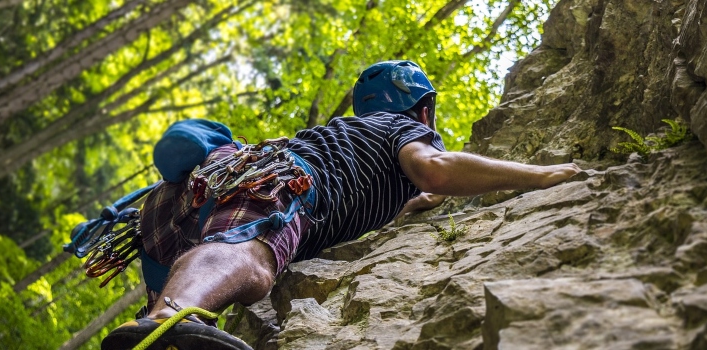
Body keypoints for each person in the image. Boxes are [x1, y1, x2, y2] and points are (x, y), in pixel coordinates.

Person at [101, 60, 581, 350]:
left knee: (160, 323)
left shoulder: (354, 143)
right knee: (251, 256)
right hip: (275, 183)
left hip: (177, 203)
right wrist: (544, 175)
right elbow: (436, 171)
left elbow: (420, 197)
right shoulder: (402, 131)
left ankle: (158, 319)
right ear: (423, 111)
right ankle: (168, 318)